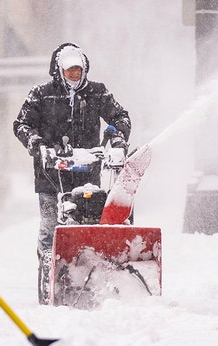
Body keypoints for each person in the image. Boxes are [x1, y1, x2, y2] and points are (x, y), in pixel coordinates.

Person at [13, 43, 131, 305]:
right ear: (59, 70)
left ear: (85, 69)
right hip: (50, 176)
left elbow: (120, 116)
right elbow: (21, 124)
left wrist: (117, 139)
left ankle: (92, 276)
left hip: (87, 176)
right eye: (69, 70)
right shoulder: (41, 95)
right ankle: (49, 278)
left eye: (78, 70)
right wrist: (37, 144)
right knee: (50, 226)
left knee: (90, 224)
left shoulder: (98, 93)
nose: (74, 75)